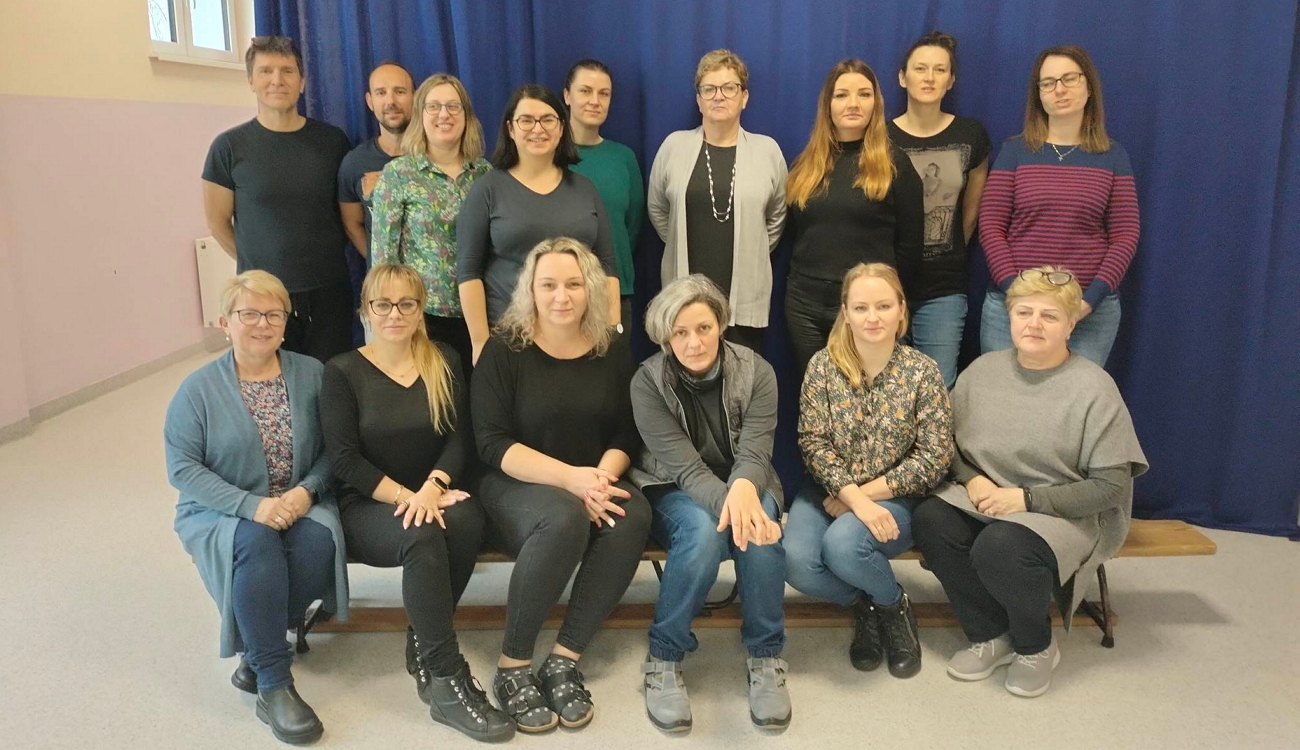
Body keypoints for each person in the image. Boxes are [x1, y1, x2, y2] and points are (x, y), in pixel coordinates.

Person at [912, 266, 1148, 698]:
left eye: (1049, 316)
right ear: (1010, 317)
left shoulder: (1094, 388)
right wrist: (972, 479)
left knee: (1001, 546)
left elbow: (1111, 487)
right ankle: (990, 633)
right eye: (1024, 313)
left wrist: (1027, 500)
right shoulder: (983, 372)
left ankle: (1035, 645)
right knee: (930, 519)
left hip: (1064, 511)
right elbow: (944, 443)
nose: (1034, 324)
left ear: (1071, 324)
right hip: (987, 499)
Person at [319, 264, 513, 742]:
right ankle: (447, 679)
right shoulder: (341, 371)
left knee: (466, 519)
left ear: (421, 308)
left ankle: (423, 638)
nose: (395, 314)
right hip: (368, 503)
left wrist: (433, 487)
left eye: (406, 303)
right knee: (423, 533)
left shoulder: (443, 358)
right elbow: (344, 460)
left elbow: (459, 437)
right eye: (382, 304)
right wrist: (411, 498)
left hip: (433, 491)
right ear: (365, 311)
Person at [471, 238, 651, 732]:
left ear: (590, 288)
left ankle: (564, 659)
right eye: (548, 284)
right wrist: (573, 481)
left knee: (632, 513)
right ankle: (513, 665)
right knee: (564, 517)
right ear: (530, 289)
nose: (561, 296)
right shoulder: (503, 349)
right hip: (514, 482)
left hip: (590, 477)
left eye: (573, 284)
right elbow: (491, 443)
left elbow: (626, 431)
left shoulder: (611, 346)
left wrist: (600, 480)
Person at [164, 270, 348, 745]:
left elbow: (337, 448)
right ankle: (273, 681)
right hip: (221, 508)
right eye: (249, 314)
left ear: (286, 323)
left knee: (319, 542)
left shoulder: (313, 374)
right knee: (257, 543)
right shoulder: (197, 390)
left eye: (273, 314)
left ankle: (253, 652)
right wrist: (251, 506)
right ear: (225, 322)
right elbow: (182, 468)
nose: (262, 324)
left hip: (299, 499)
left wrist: (307, 492)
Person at [629, 275, 790, 731]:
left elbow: (755, 452)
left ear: (721, 324)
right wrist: (738, 507)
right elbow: (686, 470)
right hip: (671, 485)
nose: (694, 342)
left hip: (747, 478)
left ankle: (766, 657)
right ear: (665, 337)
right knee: (702, 534)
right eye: (680, 332)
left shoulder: (758, 372)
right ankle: (664, 658)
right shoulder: (647, 382)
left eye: (703, 328)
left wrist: (745, 496)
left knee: (759, 533)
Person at [785, 263, 953, 679]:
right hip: (827, 490)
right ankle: (872, 603)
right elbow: (813, 444)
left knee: (843, 546)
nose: (872, 317)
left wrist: (863, 499)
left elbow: (934, 456)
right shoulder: (822, 367)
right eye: (861, 307)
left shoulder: (923, 372)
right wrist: (850, 496)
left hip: (898, 498)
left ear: (902, 310)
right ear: (845, 312)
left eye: (883, 306)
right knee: (795, 561)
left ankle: (895, 611)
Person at [978, 45, 1140, 366]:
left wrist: (1088, 301)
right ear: (1038, 94)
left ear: (1089, 86)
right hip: (1013, 308)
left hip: (1087, 313)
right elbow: (991, 227)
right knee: (1003, 395)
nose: (1060, 89)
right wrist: (1018, 295)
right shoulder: (1015, 152)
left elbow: (1126, 235)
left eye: (1069, 78)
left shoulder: (1113, 156)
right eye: (1048, 83)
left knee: (1074, 399)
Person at [202, 36, 354, 363]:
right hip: (262, 298)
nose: (277, 80)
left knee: (331, 381)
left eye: (287, 71)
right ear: (250, 81)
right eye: (266, 71)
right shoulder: (228, 148)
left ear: (302, 82)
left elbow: (348, 215)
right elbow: (217, 222)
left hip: (329, 292)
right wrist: (260, 264)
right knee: (272, 382)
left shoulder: (333, 142)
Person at [457, 84, 622, 365]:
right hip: (510, 339)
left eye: (548, 120)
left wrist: (610, 332)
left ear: (561, 128)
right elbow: (469, 272)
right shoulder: (487, 189)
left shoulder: (585, 189)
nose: (538, 129)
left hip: (579, 339)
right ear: (510, 129)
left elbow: (608, 266)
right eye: (526, 120)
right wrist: (480, 343)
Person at [785, 59, 924, 377]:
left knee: (864, 395)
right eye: (842, 95)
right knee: (816, 394)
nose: (853, 103)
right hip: (804, 303)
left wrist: (883, 301)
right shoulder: (806, 164)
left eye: (864, 94)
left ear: (876, 103)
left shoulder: (895, 165)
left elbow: (910, 247)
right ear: (828, 104)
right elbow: (797, 233)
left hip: (866, 308)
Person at [647, 49, 787, 352]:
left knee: (741, 376)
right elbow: (657, 208)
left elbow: (777, 216)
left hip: (744, 297)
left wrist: (754, 246)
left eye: (729, 88)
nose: (718, 96)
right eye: (709, 89)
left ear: (744, 97)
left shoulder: (767, 151)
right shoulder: (674, 146)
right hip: (683, 294)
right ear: (698, 100)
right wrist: (676, 238)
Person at [888, 32, 992, 388]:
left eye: (939, 70)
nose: (929, 77)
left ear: (951, 80)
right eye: (920, 68)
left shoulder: (971, 135)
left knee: (938, 388)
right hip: (888, 285)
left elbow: (971, 213)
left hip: (944, 287)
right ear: (903, 77)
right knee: (886, 390)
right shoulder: (879, 138)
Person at [370, 73, 491, 367]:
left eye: (453, 106)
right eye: (433, 106)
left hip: (482, 314)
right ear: (420, 115)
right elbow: (384, 260)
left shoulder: (485, 174)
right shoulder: (399, 174)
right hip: (422, 318)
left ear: (466, 116)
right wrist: (396, 317)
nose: (444, 115)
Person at [564, 59, 645, 329]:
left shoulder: (623, 158)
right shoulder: (547, 157)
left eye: (604, 93)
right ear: (567, 96)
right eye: (585, 91)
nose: (595, 101)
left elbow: (632, 228)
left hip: (613, 292)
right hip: (559, 295)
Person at [338, 61, 414, 263]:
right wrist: (379, 265)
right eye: (381, 93)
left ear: (415, 97)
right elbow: (352, 224)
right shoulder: (355, 163)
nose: (391, 101)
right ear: (370, 101)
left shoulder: (435, 157)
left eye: (400, 92)